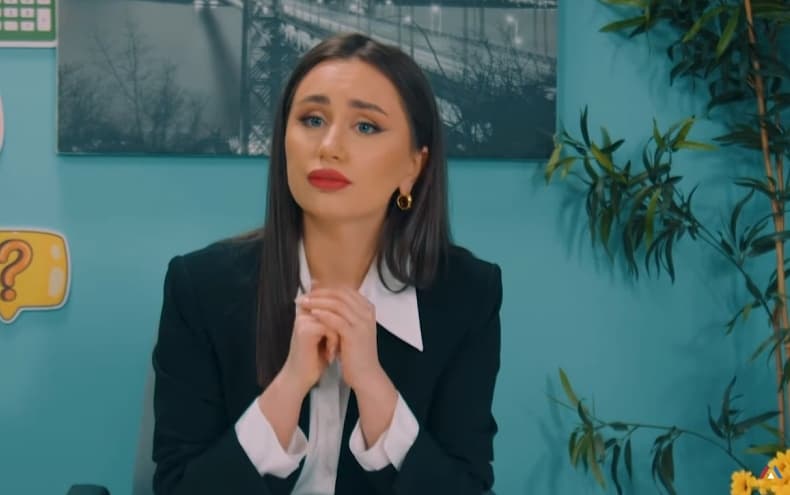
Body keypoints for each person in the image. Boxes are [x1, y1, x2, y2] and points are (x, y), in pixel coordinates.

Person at [151, 32, 503, 495]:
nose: (330, 146)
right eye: (312, 119)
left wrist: (373, 387)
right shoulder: (201, 288)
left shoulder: (467, 294)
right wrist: (289, 385)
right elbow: (178, 488)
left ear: (414, 166)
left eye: (366, 127)